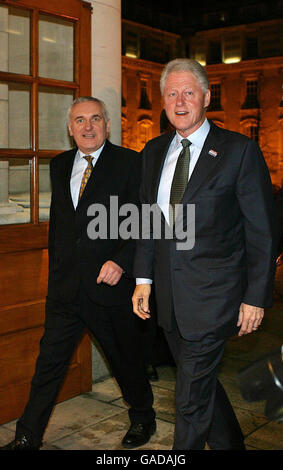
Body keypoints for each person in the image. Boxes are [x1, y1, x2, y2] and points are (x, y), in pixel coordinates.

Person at [132, 58, 276, 450]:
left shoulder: (238, 150)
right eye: (172, 93)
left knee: (189, 400)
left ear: (206, 97)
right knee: (203, 386)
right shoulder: (152, 151)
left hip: (216, 297)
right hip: (169, 300)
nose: (180, 101)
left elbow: (262, 231)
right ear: (163, 101)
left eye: (189, 92)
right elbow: (147, 220)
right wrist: (143, 279)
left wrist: (255, 296)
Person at [2, 97, 156, 450]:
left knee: (125, 360)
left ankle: (143, 416)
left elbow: (147, 222)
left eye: (95, 119)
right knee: (49, 364)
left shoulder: (131, 163)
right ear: (70, 129)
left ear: (107, 125)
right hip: (66, 289)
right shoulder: (59, 165)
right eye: (80, 121)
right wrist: (56, 272)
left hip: (110, 287)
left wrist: (122, 261)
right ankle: (27, 435)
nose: (88, 127)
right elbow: (62, 225)